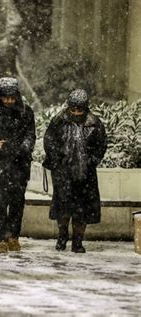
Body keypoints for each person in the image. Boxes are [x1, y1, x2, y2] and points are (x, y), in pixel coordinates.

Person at [43, 89, 107, 253]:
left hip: (85, 174)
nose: (76, 113)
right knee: (63, 208)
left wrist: (91, 161)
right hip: (63, 172)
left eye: (80, 110)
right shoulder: (59, 121)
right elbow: (49, 141)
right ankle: (62, 236)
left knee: (82, 210)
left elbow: (100, 146)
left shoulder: (94, 123)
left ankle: (78, 241)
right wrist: (58, 160)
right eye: (74, 109)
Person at [0, 77, 35, 254]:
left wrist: (21, 148)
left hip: (20, 164)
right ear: (0, 96)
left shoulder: (26, 112)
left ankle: (13, 236)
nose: (9, 101)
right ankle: (1, 237)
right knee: (0, 202)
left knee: (17, 202)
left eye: (12, 98)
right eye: (6, 98)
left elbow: (30, 136)